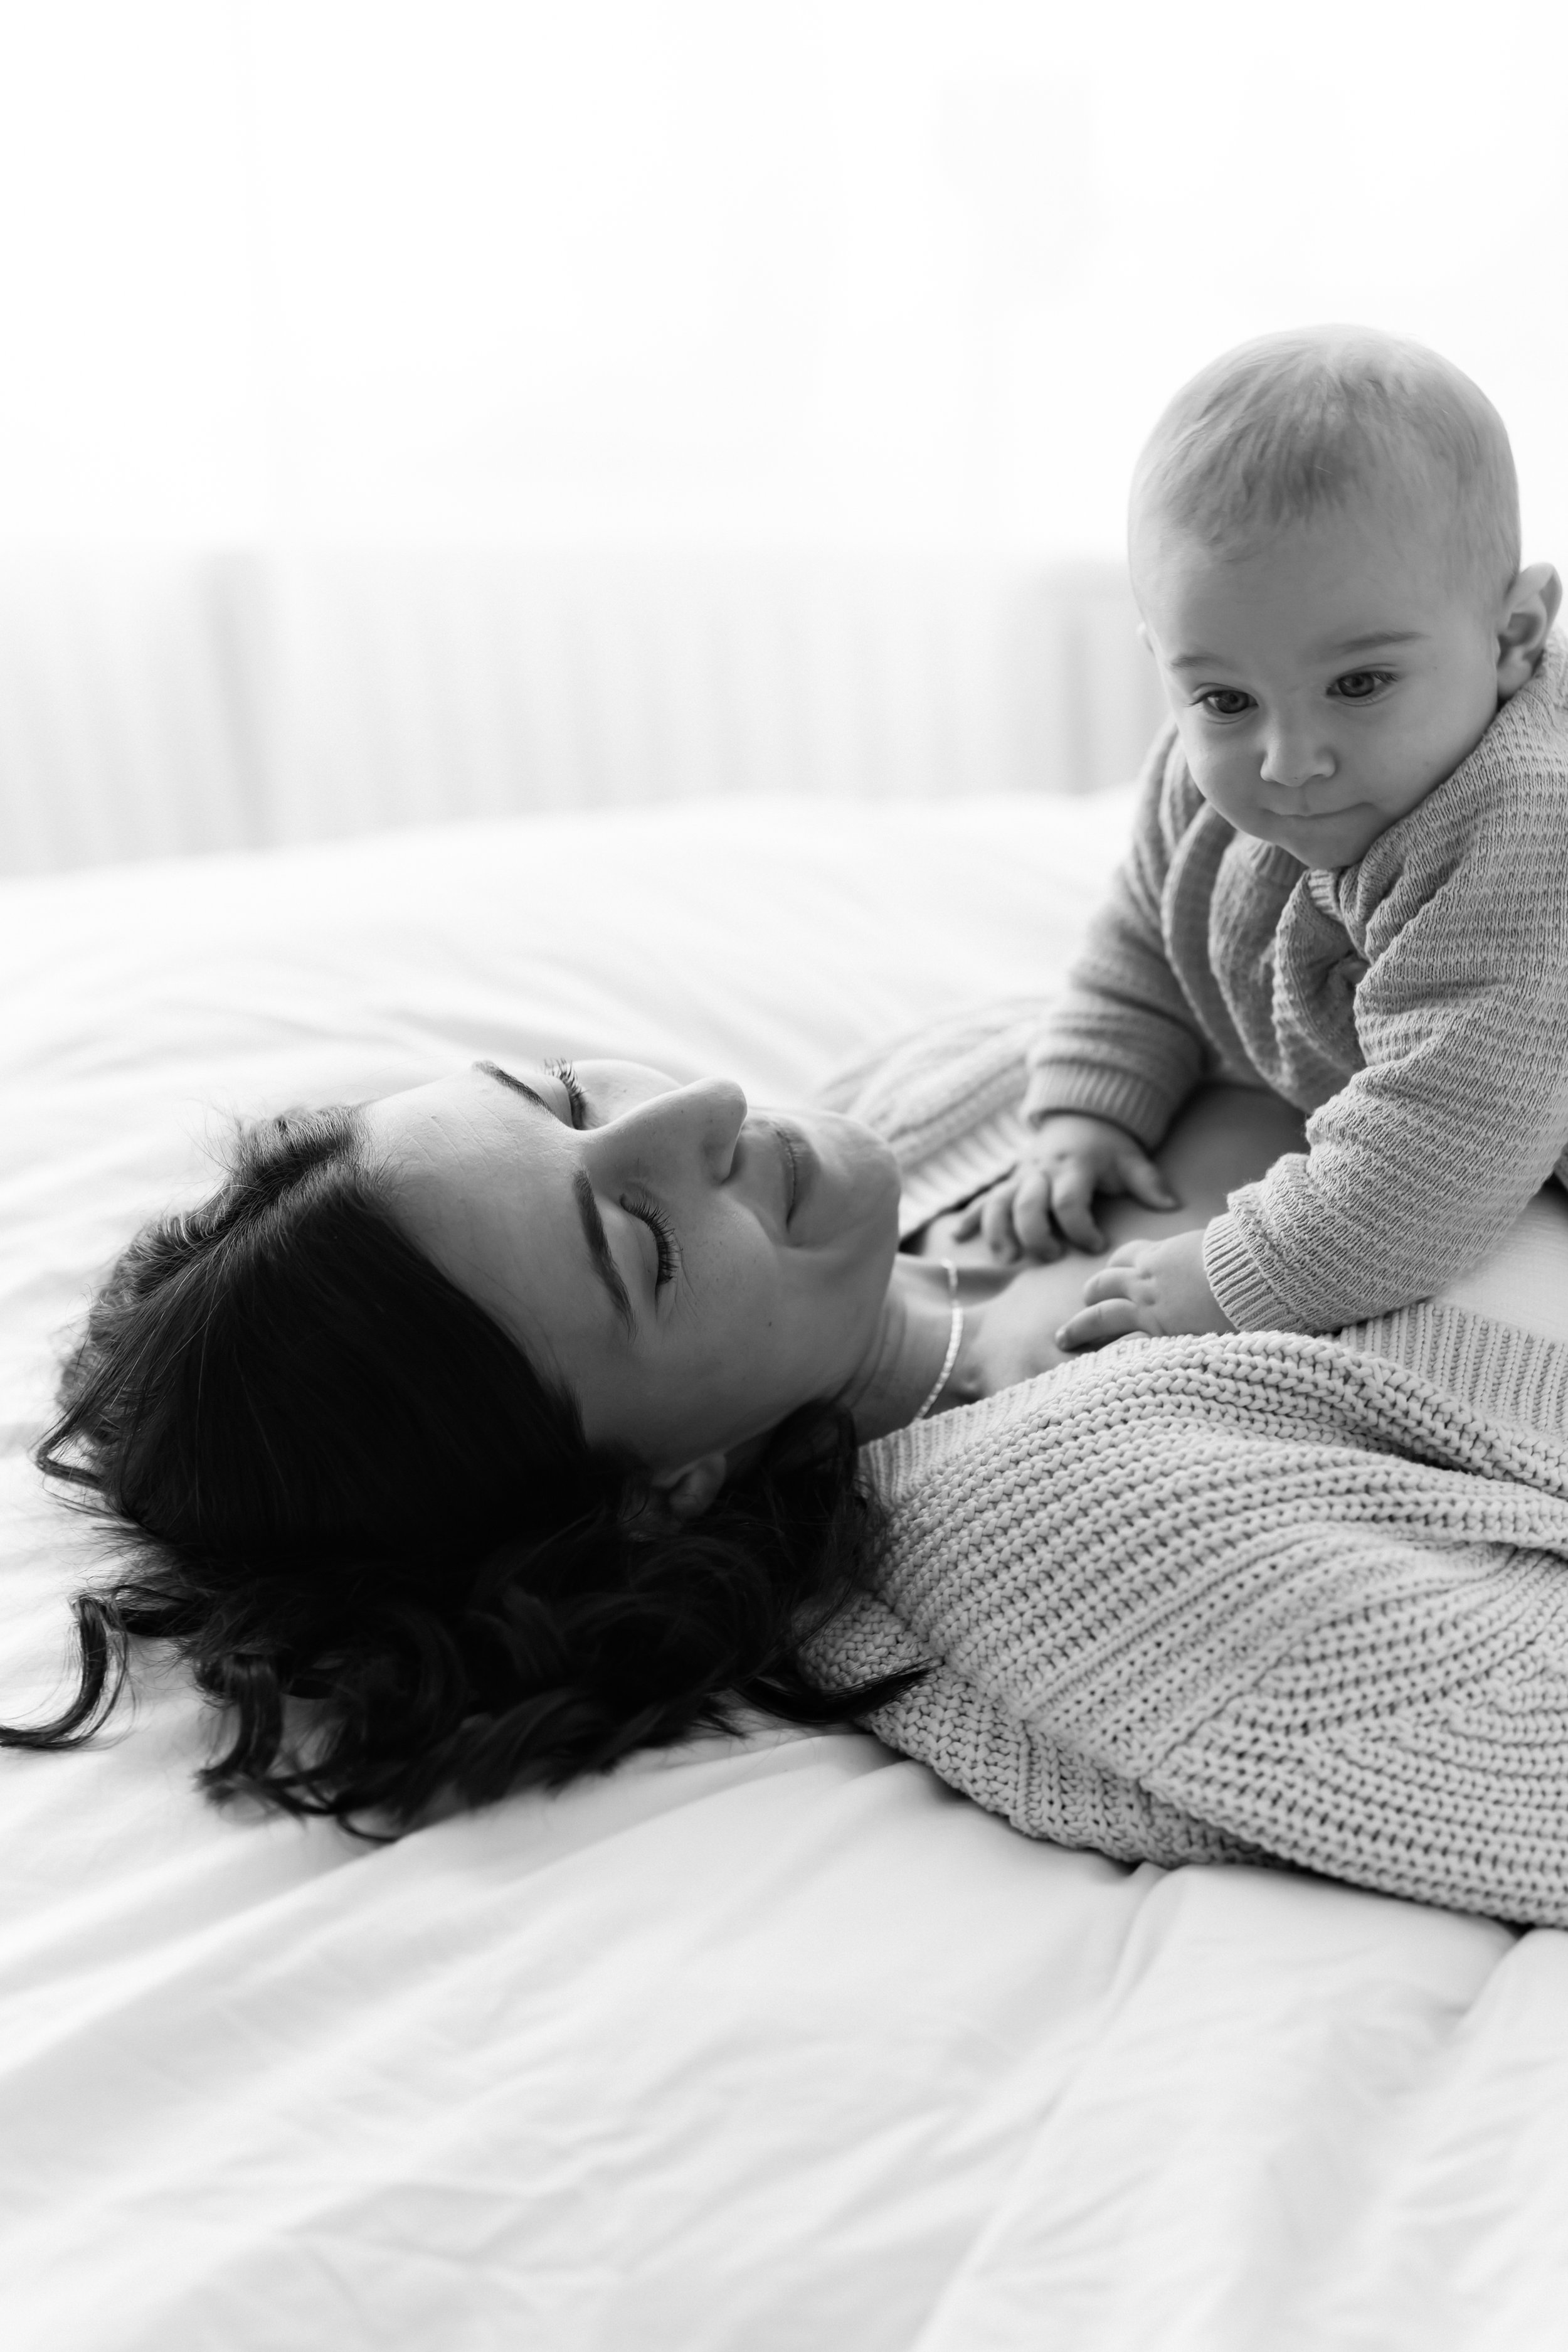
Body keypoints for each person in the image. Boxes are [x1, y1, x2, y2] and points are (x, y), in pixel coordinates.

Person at [13, 1039, 1568, 1929]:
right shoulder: (1061, 1522)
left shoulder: (940, 1132)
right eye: (635, 1235)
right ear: (657, 1495)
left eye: (569, 1105)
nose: (696, 1118)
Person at [965, 326, 1568, 1353]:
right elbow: (1152, 939)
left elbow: (1448, 1138)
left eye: (1360, 685)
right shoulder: (1208, 781)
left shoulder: (1519, 827)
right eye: (1226, 696)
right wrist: (1091, 1109)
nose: (1289, 759)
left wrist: (1236, 1275)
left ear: (1512, 639)